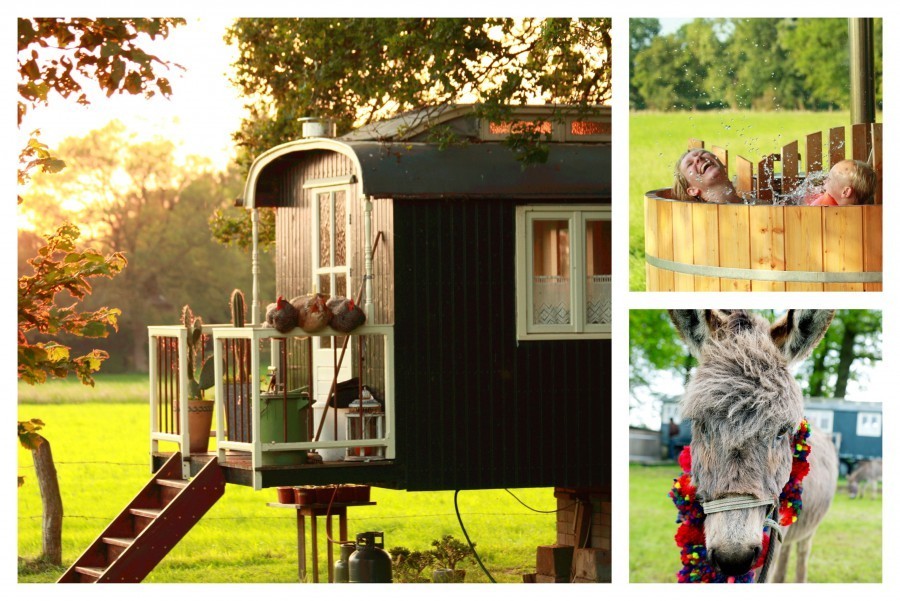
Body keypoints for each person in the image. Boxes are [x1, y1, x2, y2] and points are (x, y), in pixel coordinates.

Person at [672, 148, 744, 204]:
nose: (698, 158)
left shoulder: (753, 203)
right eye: (689, 164)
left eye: (702, 153)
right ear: (693, 190)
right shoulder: (700, 221)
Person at [806, 159, 876, 206]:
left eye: (829, 179)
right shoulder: (864, 216)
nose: (824, 181)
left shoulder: (822, 208)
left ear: (845, 192)